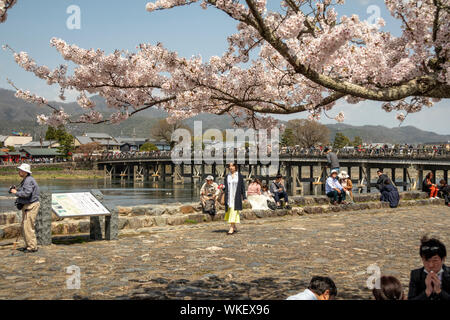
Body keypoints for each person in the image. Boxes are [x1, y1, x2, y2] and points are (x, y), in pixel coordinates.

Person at [9, 164, 40, 253]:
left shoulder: (28, 180)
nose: (19, 172)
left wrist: (15, 192)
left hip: (31, 206)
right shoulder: (27, 179)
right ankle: (28, 245)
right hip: (28, 206)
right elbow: (25, 192)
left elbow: (27, 194)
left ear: (25, 172)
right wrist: (17, 190)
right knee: (25, 227)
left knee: (28, 227)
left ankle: (32, 247)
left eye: (20, 170)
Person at [408, 236, 450, 300]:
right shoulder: (416, 275)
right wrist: (427, 292)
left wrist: (439, 291)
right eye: (427, 260)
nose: (431, 265)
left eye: (435, 260)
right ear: (422, 259)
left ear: (443, 259)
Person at [223, 163, 246, 235]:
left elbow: (242, 187)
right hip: (229, 197)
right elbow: (225, 187)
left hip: (236, 197)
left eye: (232, 166)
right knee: (230, 212)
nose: (230, 167)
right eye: (229, 166)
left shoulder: (239, 176)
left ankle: (231, 228)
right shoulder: (227, 176)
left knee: (233, 211)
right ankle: (234, 226)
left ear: (235, 167)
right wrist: (222, 187)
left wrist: (244, 197)